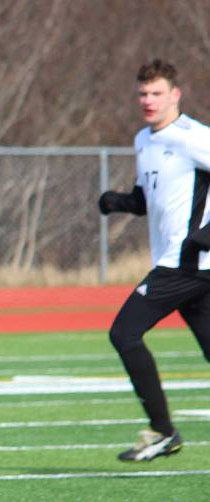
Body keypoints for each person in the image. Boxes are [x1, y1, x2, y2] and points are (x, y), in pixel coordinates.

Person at [99, 59, 210, 462]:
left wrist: (208, 235)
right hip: (186, 266)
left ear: (175, 94)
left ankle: (163, 431)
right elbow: (149, 199)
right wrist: (119, 202)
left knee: (123, 333)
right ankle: (164, 432)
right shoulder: (144, 139)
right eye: (143, 93)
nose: (148, 100)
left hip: (184, 265)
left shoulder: (193, 137)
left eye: (157, 93)